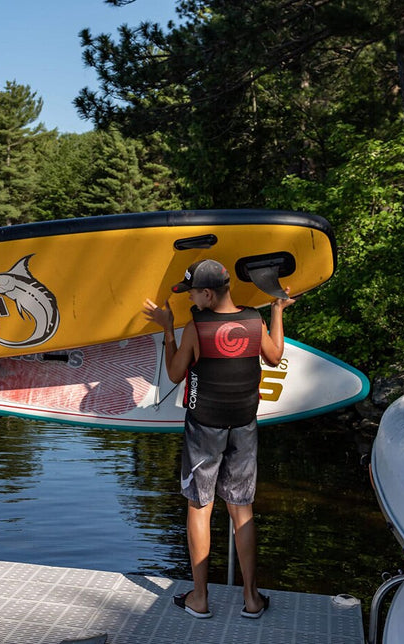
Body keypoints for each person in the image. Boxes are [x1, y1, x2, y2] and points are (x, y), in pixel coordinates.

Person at [143, 259, 294, 619]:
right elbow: (274, 356)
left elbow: (176, 373)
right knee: (241, 509)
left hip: (204, 427)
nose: (190, 299)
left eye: (192, 292)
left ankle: (200, 598)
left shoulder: (197, 326)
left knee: (200, 507)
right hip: (243, 425)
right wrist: (276, 311)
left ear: (208, 293)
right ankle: (252, 599)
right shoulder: (253, 319)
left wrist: (167, 330)